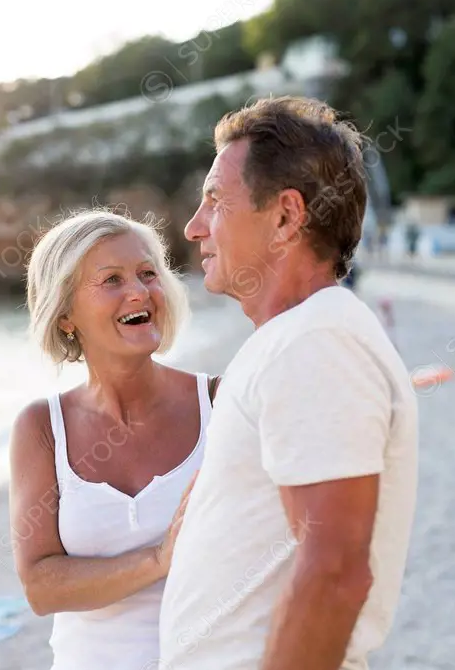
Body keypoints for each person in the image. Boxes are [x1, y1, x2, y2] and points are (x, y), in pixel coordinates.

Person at [158, 96, 419, 670]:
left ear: (284, 217)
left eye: (215, 202)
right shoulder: (301, 340)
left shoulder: (314, 343)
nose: (194, 227)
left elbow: (334, 572)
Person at [9, 211, 221, 669]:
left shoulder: (220, 403)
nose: (140, 292)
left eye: (149, 274)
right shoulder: (42, 428)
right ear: (65, 315)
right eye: (112, 280)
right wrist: (157, 559)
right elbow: (41, 586)